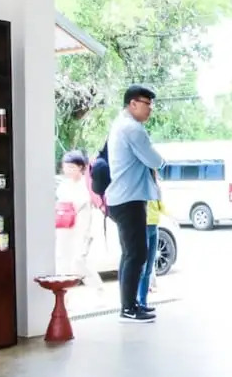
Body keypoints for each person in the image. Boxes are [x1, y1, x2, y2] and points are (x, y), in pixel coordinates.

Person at [105, 85, 164, 323]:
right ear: (133, 104)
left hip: (123, 198)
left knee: (131, 254)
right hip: (129, 199)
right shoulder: (132, 129)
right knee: (137, 254)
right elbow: (155, 160)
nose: (150, 109)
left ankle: (129, 305)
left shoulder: (120, 125)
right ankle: (128, 309)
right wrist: (161, 161)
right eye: (146, 103)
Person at [54, 150, 103, 290]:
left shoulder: (86, 185)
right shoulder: (63, 185)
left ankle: (98, 290)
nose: (68, 170)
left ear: (81, 167)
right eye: (66, 166)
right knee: (63, 262)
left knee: (79, 261)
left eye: (71, 167)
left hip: (81, 229)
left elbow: (86, 203)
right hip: (64, 229)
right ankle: (63, 296)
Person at [136, 175, 166, 313]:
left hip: (154, 225)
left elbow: (160, 205)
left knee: (149, 268)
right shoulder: (142, 182)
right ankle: (137, 302)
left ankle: (143, 302)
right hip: (144, 225)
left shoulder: (155, 184)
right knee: (142, 267)